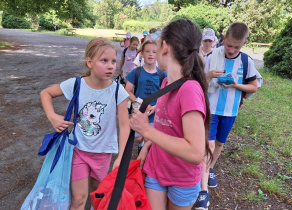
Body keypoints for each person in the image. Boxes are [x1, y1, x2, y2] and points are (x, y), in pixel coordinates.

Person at [129, 19, 212, 210]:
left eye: (157, 45)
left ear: (164, 46)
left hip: (182, 177)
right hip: (157, 168)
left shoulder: (190, 89)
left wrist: (146, 130)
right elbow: (166, 126)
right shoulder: (167, 83)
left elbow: (195, 152)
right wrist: (146, 148)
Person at [40, 37, 130, 210]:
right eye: (104, 60)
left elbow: (125, 125)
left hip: (103, 153)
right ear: (89, 62)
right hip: (78, 150)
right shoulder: (76, 84)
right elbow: (46, 93)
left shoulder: (118, 91)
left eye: (113, 61)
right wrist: (52, 116)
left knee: (98, 195)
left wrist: (121, 157)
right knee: (78, 199)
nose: (111, 66)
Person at [197, 22, 258, 209]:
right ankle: (203, 190)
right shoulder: (212, 56)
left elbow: (253, 86)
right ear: (224, 39)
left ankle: (210, 167)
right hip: (212, 109)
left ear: (244, 43)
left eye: (236, 47)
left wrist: (235, 85)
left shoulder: (246, 62)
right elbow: (199, 79)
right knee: (209, 143)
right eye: (229, 45)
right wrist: (208, 75)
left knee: (220, 144)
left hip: (230, 111)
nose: (231, 50)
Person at [125, 39, 167, 154]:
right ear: (142, 54)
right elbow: (127, 90)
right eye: (147, 51)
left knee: (150, 137)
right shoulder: (136, 72)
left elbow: (167, 94)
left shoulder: (162, 74)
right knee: (139, 138)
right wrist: (139, 102)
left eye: (154, 52)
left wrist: (157, 105)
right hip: (139, 111)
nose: (151, 54)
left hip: (155, 113)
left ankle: (146, 156)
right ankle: (141, 145)